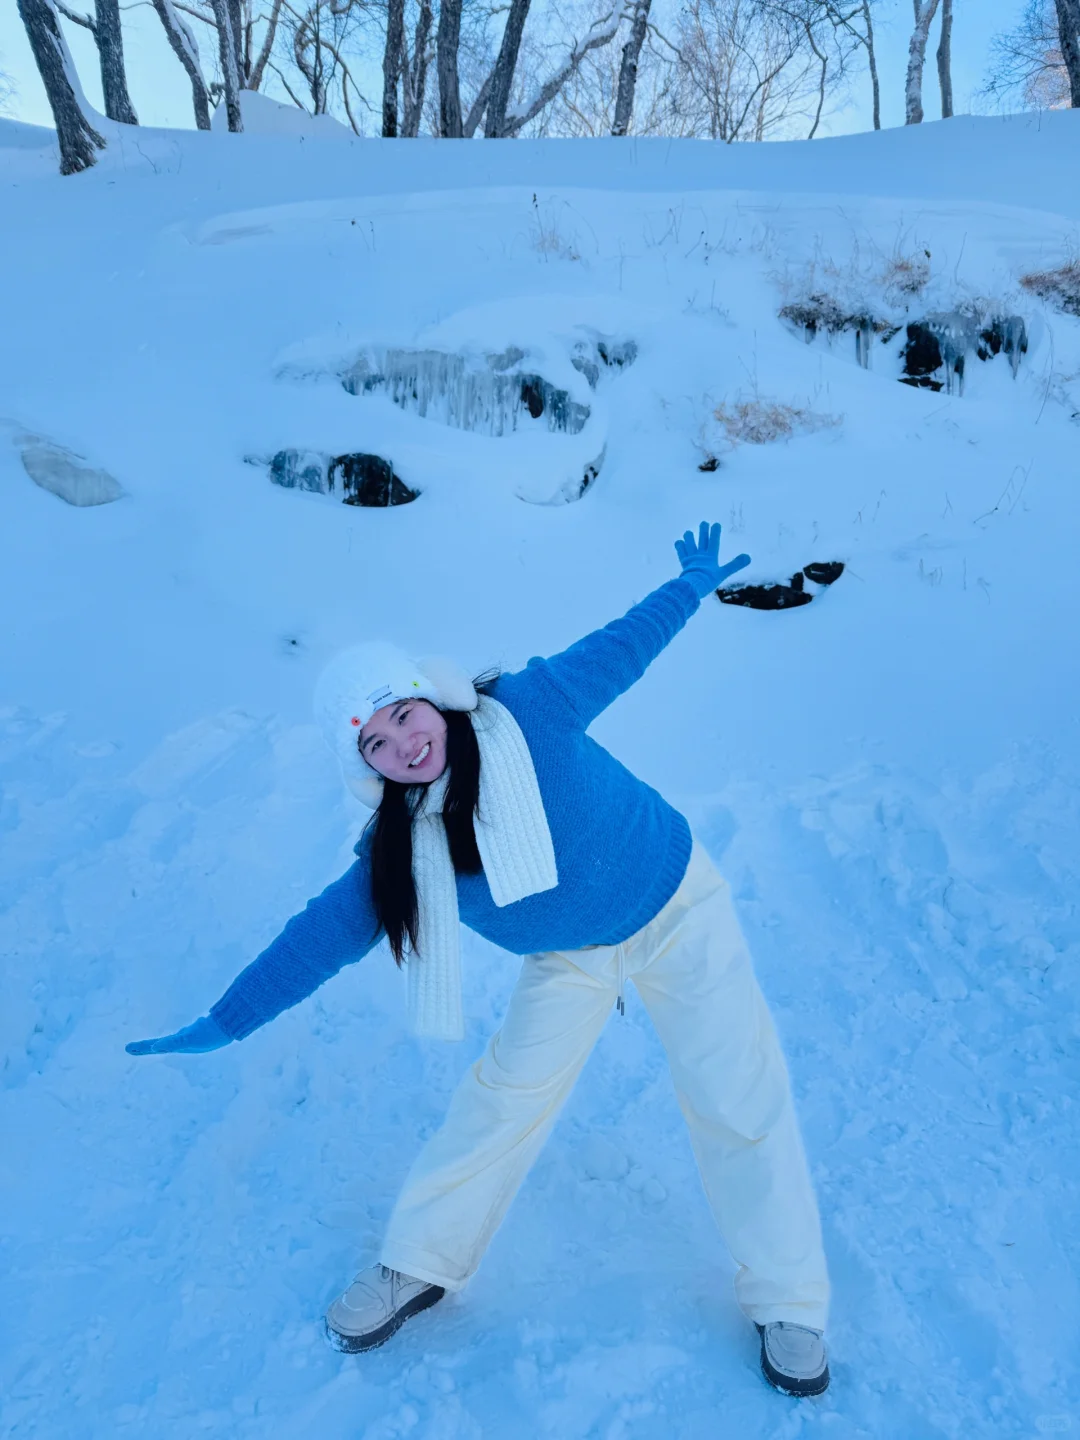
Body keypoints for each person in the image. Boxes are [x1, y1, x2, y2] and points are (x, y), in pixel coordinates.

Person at [128, 523, 831, 1398]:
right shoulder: (399, 851)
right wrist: (224, 1022)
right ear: (367, 769)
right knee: (500, 1103)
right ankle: (418, 1264)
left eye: (402, 714)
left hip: (679, 905)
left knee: (737, 1094)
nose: (401, 745)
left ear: (433, 697)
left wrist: (687, 587)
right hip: (574, 956)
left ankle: (791, 1299)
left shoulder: (530, 711)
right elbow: (315, 939)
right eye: (374, 745)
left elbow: (622, 646)